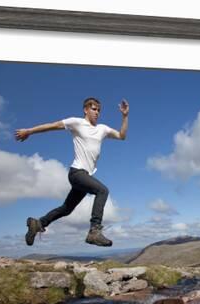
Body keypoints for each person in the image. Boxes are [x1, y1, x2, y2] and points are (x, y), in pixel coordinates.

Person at [15, 97, 129, 247]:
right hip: (77, 173)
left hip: (85, 176)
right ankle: (94, 231)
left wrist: (125, 116)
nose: (97, 113)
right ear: (86, 110)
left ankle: (38, 223)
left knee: (67, 209)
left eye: (99, 110)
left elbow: (122, 136)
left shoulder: (102, 129)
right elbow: (52, 126)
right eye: (94, 109)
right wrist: (29, 131)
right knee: (102, 191)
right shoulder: (76, 122)